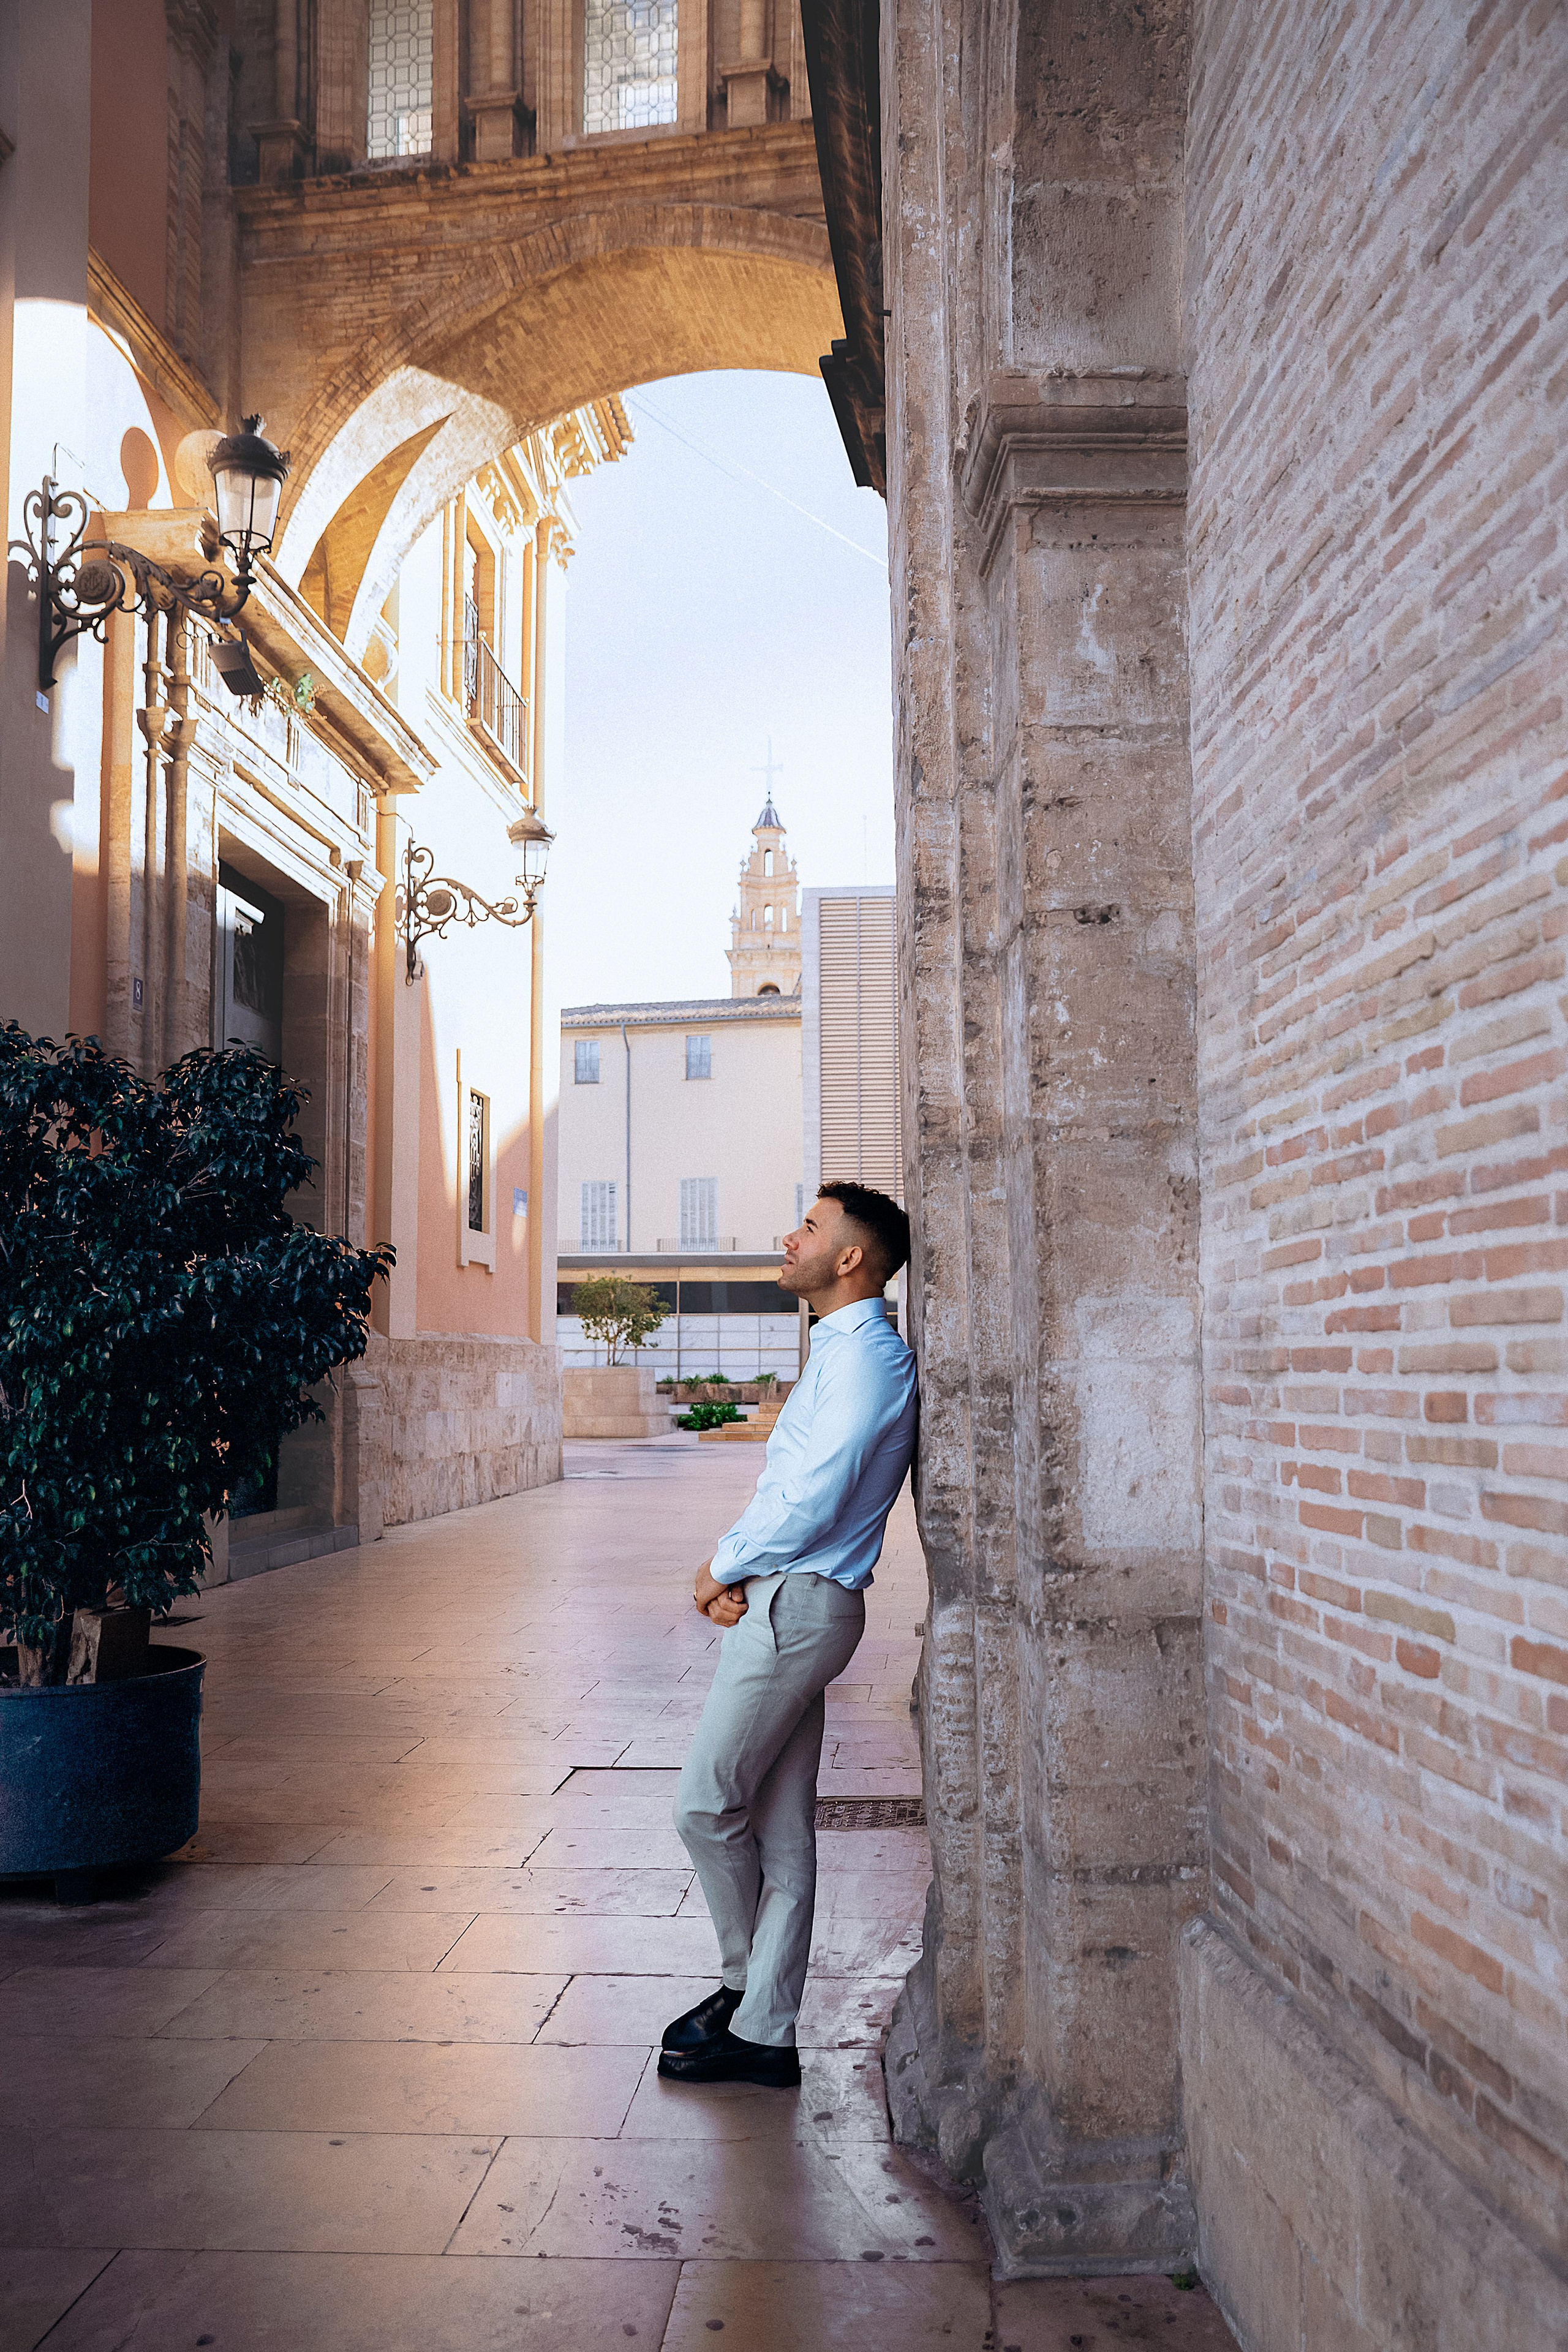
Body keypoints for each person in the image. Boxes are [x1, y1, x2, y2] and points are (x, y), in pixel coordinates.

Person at [660, 1178, 918, 2088]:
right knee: (778, 1825)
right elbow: (796, 1492)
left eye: (807, 1227)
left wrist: (723, 1565)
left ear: (849, 1257)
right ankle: (767, 2032)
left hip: (800, 1602)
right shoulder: (841, 1351)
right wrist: (746, 1572)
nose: (788, 1235)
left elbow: (814, 1497)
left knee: (704, 1802)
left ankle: (742, 1992)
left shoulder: (867, 1359)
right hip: (791, 1595)